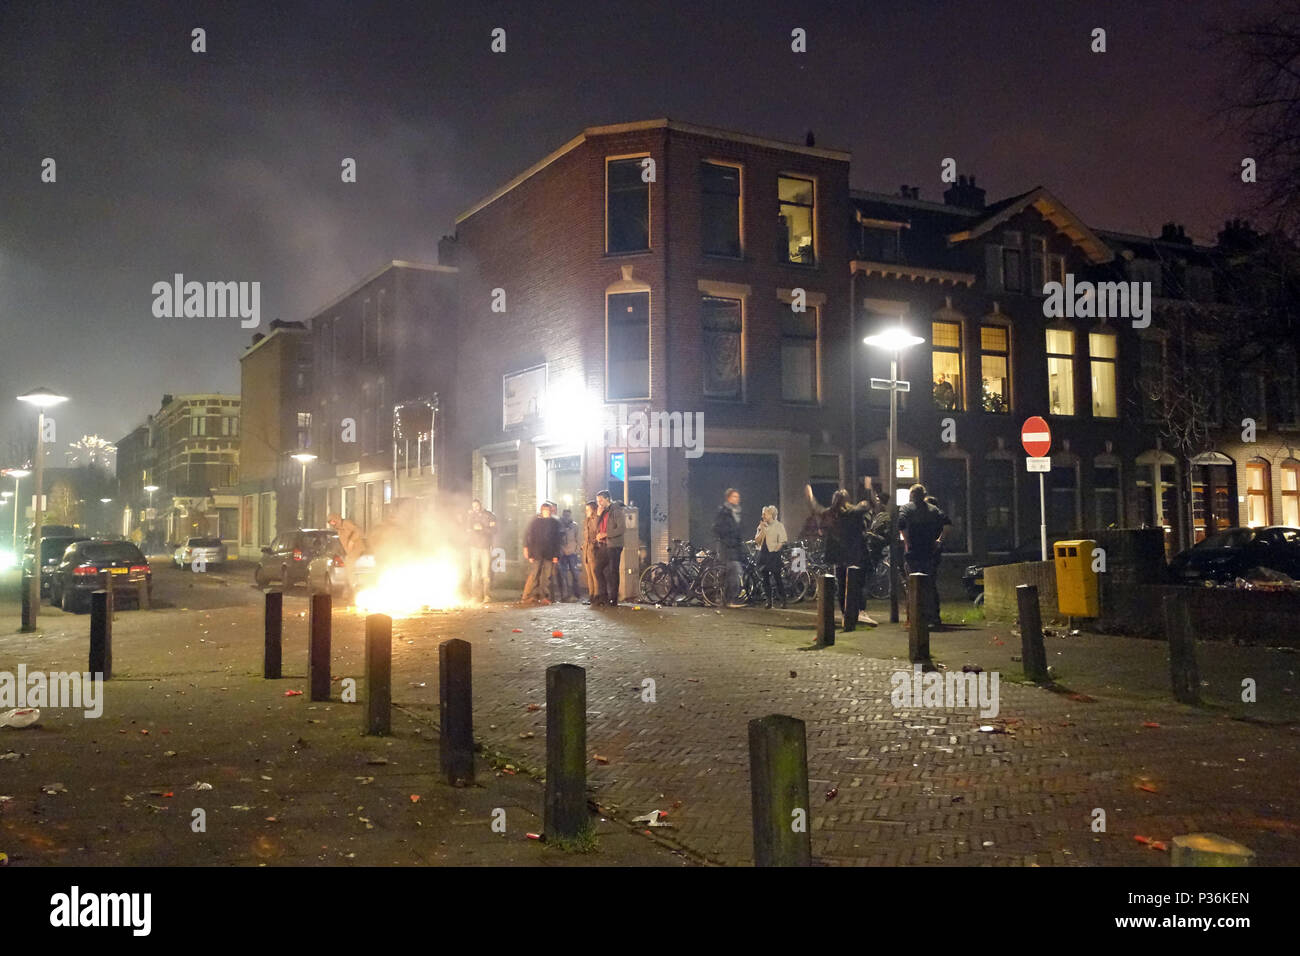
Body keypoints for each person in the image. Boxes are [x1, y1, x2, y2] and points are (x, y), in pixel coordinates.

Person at [805, 485, 878, 627]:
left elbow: (816, 508)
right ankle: (859, 611)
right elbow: (869, 505)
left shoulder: (830, 513)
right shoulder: (854, 512)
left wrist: (810, 496)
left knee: (841, 583)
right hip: (854, 554)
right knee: (858, 583)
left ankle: (846, 614)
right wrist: (869, 489)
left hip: (838, 556)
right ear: (847, 500)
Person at [897, 484, 951, 627]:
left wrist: (907, 542)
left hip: (914, 551)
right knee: (930, 585)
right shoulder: (933, 510)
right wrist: (939, 540)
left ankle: (915, 618)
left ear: (912, 495)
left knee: (913, 585)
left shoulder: (906, 508)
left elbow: (901, 525)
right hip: (929, 551)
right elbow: (947, 523)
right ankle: (933, 618)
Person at [521, 501, 561, 605]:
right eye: (545, 510)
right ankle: (533, 595)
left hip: (549, 553)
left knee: (547, 576)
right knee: (535, 574)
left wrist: (556, 555)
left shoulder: (555, 523)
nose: (546, 512)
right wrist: (529, 553)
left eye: (548, 510)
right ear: (541, 511)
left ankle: (545, 596)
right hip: (537, 552)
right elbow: (530, 537)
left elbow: (557, 540)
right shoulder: (535, 522)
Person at [712, 488, 745, 607]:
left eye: (738, 497)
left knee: (728, 575)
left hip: (734, 548)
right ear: (728, 498)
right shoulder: (724, 512)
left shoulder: (737, 513)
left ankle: (725, 600)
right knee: (735, 572)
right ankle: (730, 600)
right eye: (735, 497)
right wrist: (727, 538)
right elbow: (717, 528)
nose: (737, 499)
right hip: (727, 547)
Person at [592, 491, 626, 606]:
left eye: (601, 500)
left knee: (613, 572)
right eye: (597, 501)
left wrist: (606, 534)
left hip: (614, 545)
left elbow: (621, 528)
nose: (599, 503)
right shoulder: (603, 511)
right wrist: (598, 515)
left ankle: (613, 599)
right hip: (603, 545)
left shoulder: (616, 510)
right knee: (597, 569)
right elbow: (596, 527)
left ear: (608, 499)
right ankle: (603, 595)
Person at [753, 505, 788, 609]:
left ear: (771, 515)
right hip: (763, 554)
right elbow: (757, 541)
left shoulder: (779, 525)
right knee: (765, 579)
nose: (763, 515)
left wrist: (776, 550)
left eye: (765, 514)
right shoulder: (761, 526)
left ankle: (783, 600)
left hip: (773, 554)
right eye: (763, 513)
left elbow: (782, 540)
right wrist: (762, 530)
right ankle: (769, 601)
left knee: (777, 578)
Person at [464, 498, 497, 604]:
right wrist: (473, 529)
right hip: (473, 547)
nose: (475, 509)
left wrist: (482, 528)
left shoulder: (489, 515)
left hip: (485, 547)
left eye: (477, 506)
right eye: (473, 507)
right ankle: (475, 596)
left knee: (485, 574)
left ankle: (487, 596)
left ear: (481, 506)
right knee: (474, 574)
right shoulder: (470, 516)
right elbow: (467, 528)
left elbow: (494, 530)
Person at [327, 513, 365, 600]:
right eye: (331, 523)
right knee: (349, 570)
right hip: (351, 552)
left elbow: (358, 530)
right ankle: (350, 590)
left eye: (333, 521)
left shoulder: (346, 523)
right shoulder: (339, 529)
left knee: (349, 567)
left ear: (337, 519)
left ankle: (352, 590)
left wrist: (352, 540)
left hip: (357, 550)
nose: (332, 524)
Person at [556, 508, 581, 602]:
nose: (566, 517)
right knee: (563, 574)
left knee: (575, 573)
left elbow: (577, 538)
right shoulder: (559, 525)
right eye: (565, 515)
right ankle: (565, 595)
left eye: (568, 515)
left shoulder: (574, 526)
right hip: (562, 553)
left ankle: (576, 593)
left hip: (572, 553)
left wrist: (576, 551)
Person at [580, 500, 599, 605]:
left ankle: (596, 595)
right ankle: (591, 595)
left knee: (594, 574)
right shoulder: (586, 520)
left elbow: (597, 534)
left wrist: (593, 545)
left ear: (593, 509)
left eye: (588, 509)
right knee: (589, 575)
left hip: (593, 551)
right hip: (587, 551)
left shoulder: (596, 520)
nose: (586, 511)